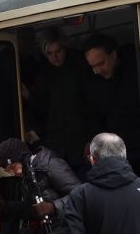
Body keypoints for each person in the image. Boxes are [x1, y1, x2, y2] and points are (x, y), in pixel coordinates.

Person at [26, 30, 91, 172]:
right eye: (49, 53)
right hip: (55, 144)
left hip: (81, 140)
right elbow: (37, 107)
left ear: (64, 48)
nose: (54, 57)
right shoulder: (44, 75)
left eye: (58, 51)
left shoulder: (81, 68)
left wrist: (91, 138)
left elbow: (92, 105)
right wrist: (37, 132)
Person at [83, 33, 140, 175]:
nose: (97, 70)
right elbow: (94, 117)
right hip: (115, 152)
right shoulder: (94, 84)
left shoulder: (138, 72)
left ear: (113, 55)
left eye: (101, 63)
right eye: (93, 66)